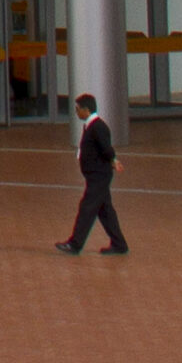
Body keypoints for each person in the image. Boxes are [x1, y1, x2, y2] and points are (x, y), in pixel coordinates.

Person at [61, 90, 128, 256]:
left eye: (78, 109)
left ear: (86, 109)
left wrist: (113, 160)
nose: (76, 112)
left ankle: (75, 244)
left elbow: (106, 148)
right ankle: (119, 244)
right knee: (105, 211)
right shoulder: (91, 126)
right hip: (96, 176)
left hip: (99, 176)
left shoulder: (98, 127)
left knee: (87, 208)